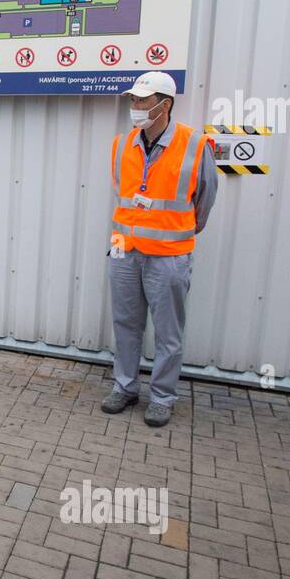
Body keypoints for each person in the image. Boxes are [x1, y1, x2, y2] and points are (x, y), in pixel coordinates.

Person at [102, 72, 217, 427]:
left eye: (142, 101)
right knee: (125, 323)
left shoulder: (195, 144)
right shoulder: (122, 144)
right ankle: (125, 386)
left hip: (168, 255)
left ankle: (163, 397)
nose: (135, 107)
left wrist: (178, 230)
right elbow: (123, 192)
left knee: (168, 331)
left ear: (164, 105)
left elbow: (205, 198)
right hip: (124, 250)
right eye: (133, 100)